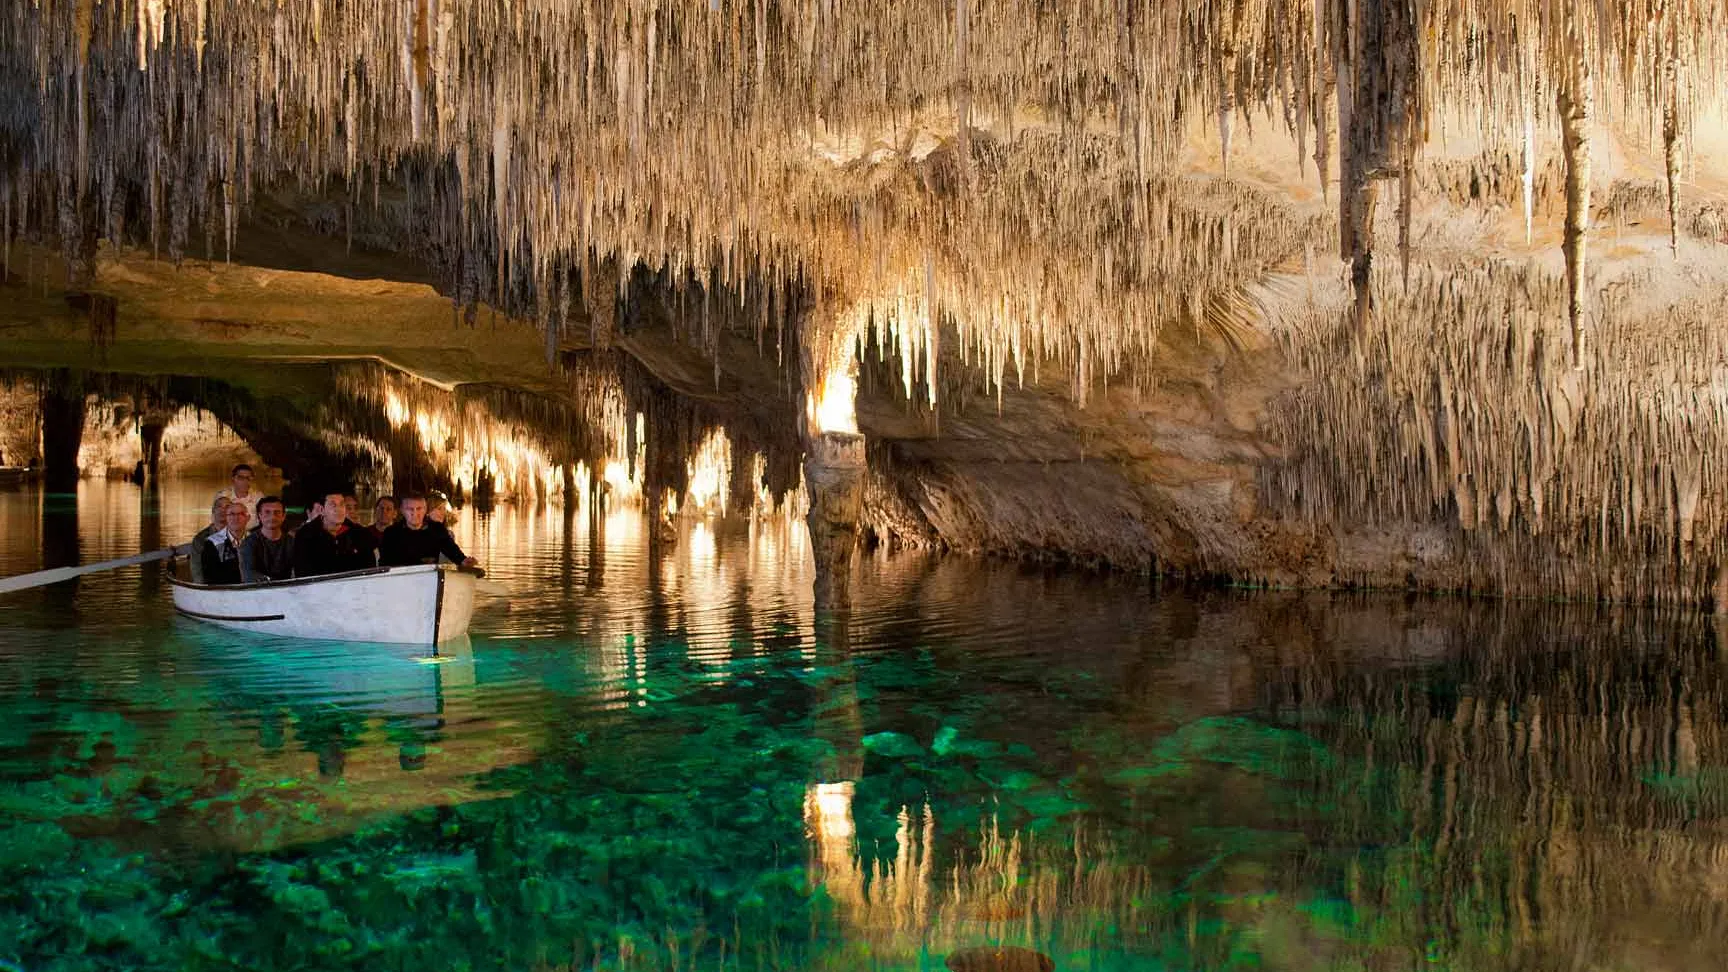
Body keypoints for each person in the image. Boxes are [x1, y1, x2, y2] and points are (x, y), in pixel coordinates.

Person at [292, 490, 377, 577]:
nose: (339, 509)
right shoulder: (306, 535)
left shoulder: (359, 533)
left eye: (342, 504)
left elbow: (369, 570)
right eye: (333, 505)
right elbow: (302, 572)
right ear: (322, 510)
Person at [380, 494, 477, 568]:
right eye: (410, 509)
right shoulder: (391, 533)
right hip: (399, 579)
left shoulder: (437, 529)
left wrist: (463, 560)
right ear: (402, 511)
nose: (415, 514)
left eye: (419, 509)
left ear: (425, 510)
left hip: (429, 577)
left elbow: (451, 549)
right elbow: (385, 564)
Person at [240, 496, 294, 583]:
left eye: (277, 512)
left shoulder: (292, 542)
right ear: (260, 516)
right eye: (267, 512)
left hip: (288, 592)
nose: (272, 517)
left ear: (283, 516)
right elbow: (248, 575)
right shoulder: (249, 543)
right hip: (258, 592)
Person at [199, 503, 251, 586]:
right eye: (231, 514)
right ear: (226, 518)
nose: (236, 518)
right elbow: (210, 577)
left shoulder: (254, 539)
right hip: (224, 591)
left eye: (241, 514)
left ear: (248, 518)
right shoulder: (212, 542)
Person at [189, 496, 231, 584]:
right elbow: (197, 570)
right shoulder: (200, 539)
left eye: (227, 507)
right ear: (213, 511)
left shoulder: (238, 534)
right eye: (219, 506)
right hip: (210, 586)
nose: (223, 510)